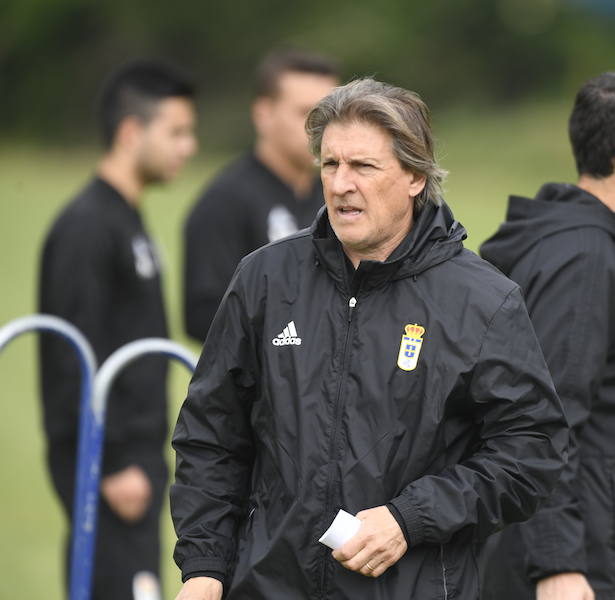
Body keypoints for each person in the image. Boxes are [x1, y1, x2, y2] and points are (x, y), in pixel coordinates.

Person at [170, 77, 568, 599]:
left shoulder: (483, 301)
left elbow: (531, 452)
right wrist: (204, 566)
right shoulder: (265, 278)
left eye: (363, 166)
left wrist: (410, 518)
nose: (340, 184)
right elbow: (211, 435)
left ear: (414, 177)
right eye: (330, 165)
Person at [480, 71, 615, 600]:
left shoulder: (593, 246)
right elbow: (543, 422)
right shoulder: (585, 261)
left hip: (612, 548)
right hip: (584, 565)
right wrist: (558, 562)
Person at [38, 59, 197, 599]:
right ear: (131, 133)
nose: (189, 146)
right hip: (111, 469)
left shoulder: (125, 218)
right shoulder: (87, 226)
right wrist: (107, 465)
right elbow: (71, 355)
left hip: (140, 462)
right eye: (176, 131)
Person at [182, 48, 339, 343]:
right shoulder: (224, 200)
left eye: (330, 114)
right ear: (263, 115)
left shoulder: (340, 194)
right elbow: (202, 316)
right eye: (305, 113)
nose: (321, 128)